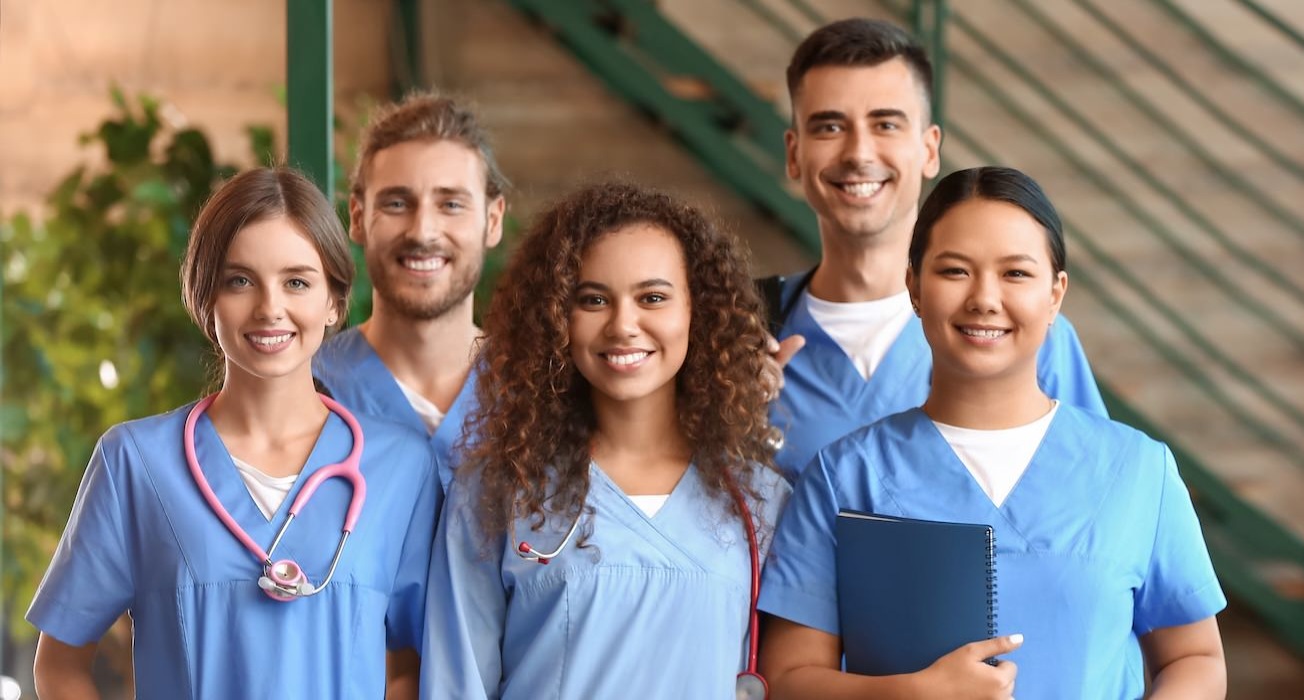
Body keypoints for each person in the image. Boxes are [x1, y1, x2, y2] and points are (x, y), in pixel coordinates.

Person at [758, 167, 1228, 699]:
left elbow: (1195, 657)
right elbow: (790, 680)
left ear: (1055, 294)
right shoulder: (843, 476)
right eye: (955, 271)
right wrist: (915, 694)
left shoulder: (1138, 470)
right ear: (913, 287)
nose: (984, 298)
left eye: (1016, 274)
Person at [29, 168, 442, 698]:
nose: (270, 308)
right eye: (239, 280)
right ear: (206, 300)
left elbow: (410, 664)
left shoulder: (400, 468)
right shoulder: (135, 463)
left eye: (297, 281)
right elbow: (59, 665)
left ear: (333, 302)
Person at [422, 182, 791, 698]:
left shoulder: (758, 502)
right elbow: (453, 683)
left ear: (696, 311)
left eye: (653, 298)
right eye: (593, 299)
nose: (623, 325)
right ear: (557, 318)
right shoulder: (497, 491)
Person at [764, 18, 1107, 481]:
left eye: (886, 123)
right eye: (829, 127)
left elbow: (1094, 502)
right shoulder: (743, 337)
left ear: (929, 150)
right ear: (793, 154)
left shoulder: (1025, 334)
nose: (859, 152)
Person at [314, 94, 508, 487]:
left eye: (451, 204)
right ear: (357, 217)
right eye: (398, 203)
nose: (422, 232)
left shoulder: (537, 394)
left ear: (493, 220)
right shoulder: (307, 388)